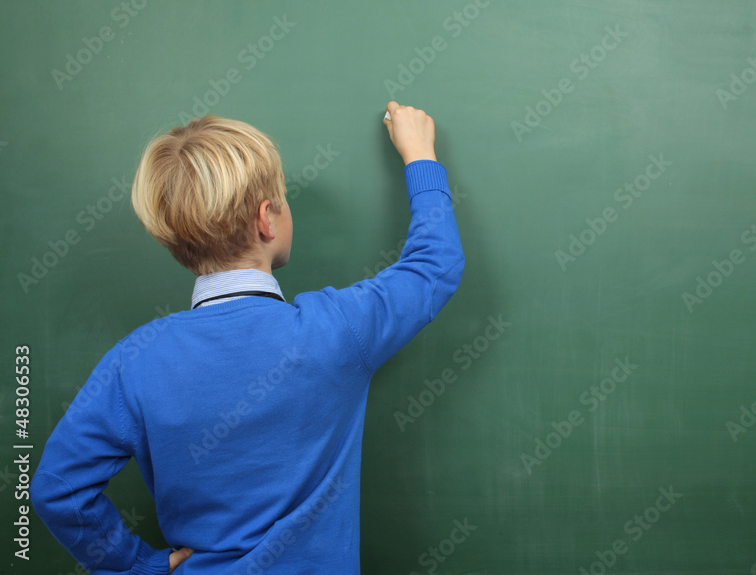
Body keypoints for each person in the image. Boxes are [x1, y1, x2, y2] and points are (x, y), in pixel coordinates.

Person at [31, 102, 464, 574]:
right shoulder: (335, 329)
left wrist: (138, 566)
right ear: (266, 219)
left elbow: (58, 488)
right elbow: (434, 265)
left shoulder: (133, 361)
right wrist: (419, 152)